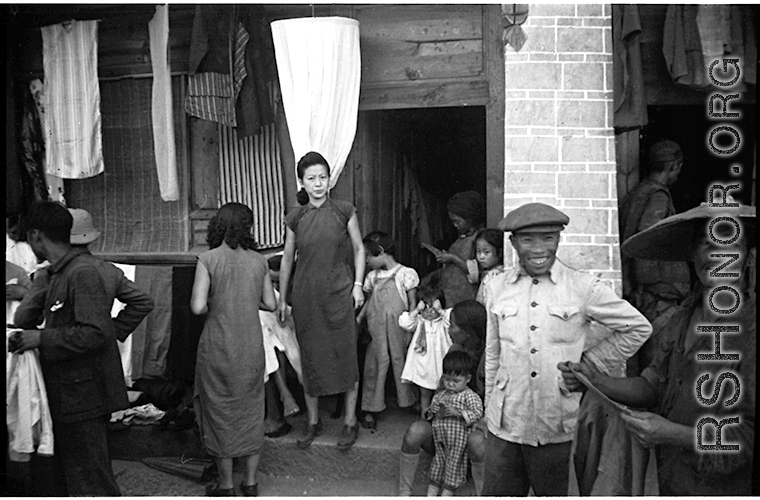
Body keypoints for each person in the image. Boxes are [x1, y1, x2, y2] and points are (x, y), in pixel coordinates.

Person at [559, 203, 756, 496]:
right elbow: (652, 385)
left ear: (748, 257)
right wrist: (596, 380)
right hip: (674, 479)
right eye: (706, 244)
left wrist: (671, 434)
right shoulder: (682, 318)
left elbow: (747, 438)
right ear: (693, 255)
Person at [481, 202, 652, 496]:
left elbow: (638, 327)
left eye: (548, 238)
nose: (538, 249)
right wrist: (488, 410)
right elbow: (493, 352)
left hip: (560, 427)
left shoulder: (582, 286)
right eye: (527, 239)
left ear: (559, 239)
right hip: (506, 424)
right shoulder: (496, 287)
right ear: (513, 243)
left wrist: (590, 364)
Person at [9, 201, 148, 496]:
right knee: (71, 475)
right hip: (67, 392)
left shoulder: (82, 273)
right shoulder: (56, 273)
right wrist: (39, 284)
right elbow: (24, 319)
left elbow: (95, 333)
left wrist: (41, 339)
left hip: (82, 395)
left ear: (35, 236)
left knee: (90, 479)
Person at [277, 151, 366, 451]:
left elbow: (359, 249)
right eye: (311, 179)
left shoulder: (344, 210)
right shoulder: (296, 216)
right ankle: (313, 422)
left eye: (323, 177)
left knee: (346, 356)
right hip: (306, 298)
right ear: (301, 181)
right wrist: (281, 299)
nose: (318, 184)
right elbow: (288, 259)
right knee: (310, 359)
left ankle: (350, 422)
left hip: (340, 294)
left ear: (330, 179)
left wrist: (357, 285)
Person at [190, 202, 277, 496]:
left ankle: (226, 486)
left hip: (218, 346)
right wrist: (246, 298)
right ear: (249, 227)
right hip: (251, 347)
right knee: (252, 411)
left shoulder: (208, 259)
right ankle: (251, 484)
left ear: (217, 225)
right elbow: (271, 303)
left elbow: (198, 306)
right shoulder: (259, 261)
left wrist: (221, 299)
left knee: (219, 411)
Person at [14, 208, 155, 343]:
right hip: (100, 357)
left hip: (65, 357)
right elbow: (143, 302)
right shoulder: (108, 270)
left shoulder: (51, 273)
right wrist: (113, 330)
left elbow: (23, 319)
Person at [398, 300, 488, 496]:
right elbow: (441, 391)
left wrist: (471, 417)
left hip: (471, 430)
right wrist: (433, 410)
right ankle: (404, 492)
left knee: (478, 443)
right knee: (414, 432)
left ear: (468, 332)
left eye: (453, 325)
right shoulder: (455, 350)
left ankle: (483, 494)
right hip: (445, 431)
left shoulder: (489, 358)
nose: (449, 328)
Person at [619, 139, 691, 374]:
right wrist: (651, 286)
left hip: (648, 291)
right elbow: (649, 239)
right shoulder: (657, 196)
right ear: (674, 166)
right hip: (657, 294)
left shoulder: (639, 192)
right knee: (656, 361)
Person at [357, 231, 419, 429]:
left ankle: (409, 400)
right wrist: (358, 318)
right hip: (376, 328)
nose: (365, 260)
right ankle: (370, 407)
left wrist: (410, 329)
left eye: (368, 256)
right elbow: (368, 302)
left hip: (399, 327)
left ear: (381, 252)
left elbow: (412, 304)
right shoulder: (371, 277)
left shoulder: (406, 274)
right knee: (375, 363)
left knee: (402, 361)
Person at [425, 350, 484, 496]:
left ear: (468, 378)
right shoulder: (440, 395)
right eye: (446, 380)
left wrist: (459, 413)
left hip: (459, 442)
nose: (450, 384)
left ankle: (447, 494)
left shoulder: (469, 396)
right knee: (437, 466)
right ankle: (430, 494)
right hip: (441, 440)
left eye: (456, 381)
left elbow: (477, 412)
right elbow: (429, 414)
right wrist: (432, 410)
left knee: (454, 468)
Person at [261, 255, 303, 439]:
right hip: (273, 338)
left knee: (270, 344)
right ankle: (285, 394)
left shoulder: (293, 289)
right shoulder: (268, 290)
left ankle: (285, 397)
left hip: (291, 335)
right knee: (268, 342)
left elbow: (289, 320)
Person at [423, 190, 486, 308]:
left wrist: (453, 258)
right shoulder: (463, 238)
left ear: (470, 218)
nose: (455, 225)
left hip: (465, 298)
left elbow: (479, 272)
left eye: (457, 221)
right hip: (450, 296)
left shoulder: (480, 239)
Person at [399, 286, 452, 417]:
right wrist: (416, 310)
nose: (429, 311)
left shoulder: (443, 321)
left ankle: (440, 421)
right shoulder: (419, 321)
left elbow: (451, 319)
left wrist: (441, 311)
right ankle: (425, 418)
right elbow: (404, 323)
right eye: (425, 307)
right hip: (423, 366)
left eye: (433, 307)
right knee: (425, 394)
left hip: (440, 364)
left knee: (442, 395)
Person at [467, 228, 505, 303]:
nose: (481, 256)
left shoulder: (494, 275)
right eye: (478, 251)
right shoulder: (489, 273)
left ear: (500, 253)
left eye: (486, 252)